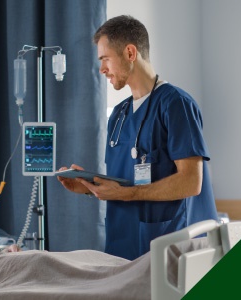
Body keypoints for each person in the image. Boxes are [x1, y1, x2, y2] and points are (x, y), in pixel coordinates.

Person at [57, 15, 217, 260]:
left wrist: (127, 194)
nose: (101, 69)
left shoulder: (176, 105)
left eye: (105, 59)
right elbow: (126, 181)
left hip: (170, 245)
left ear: (130, 52)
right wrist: (90, 187)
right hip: (123, 245)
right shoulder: (118, 115)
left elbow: (191, 182)